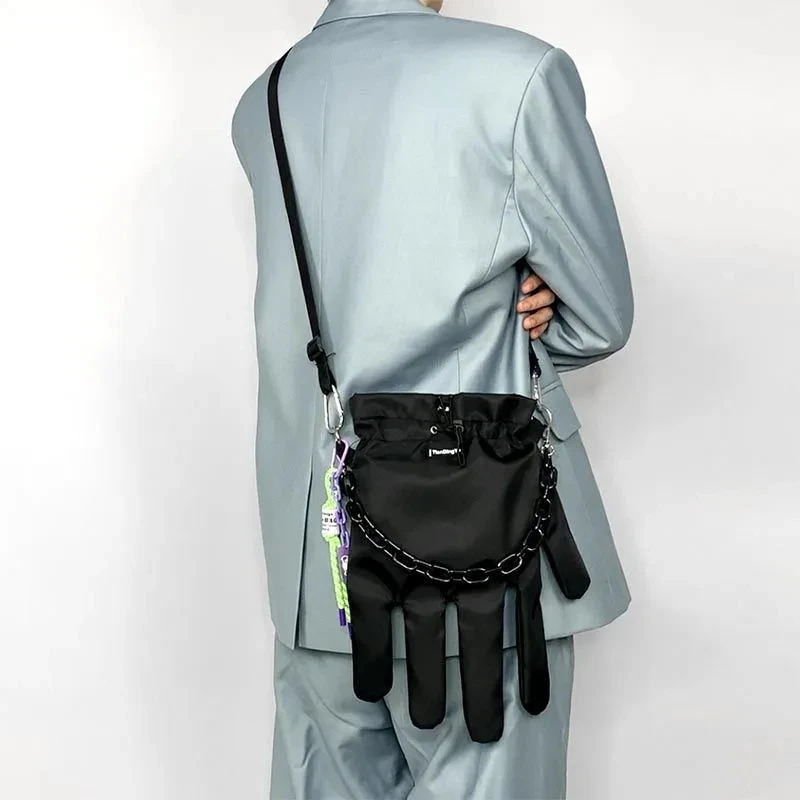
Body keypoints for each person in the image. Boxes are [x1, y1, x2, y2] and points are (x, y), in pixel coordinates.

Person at [231, 1, 634, 797]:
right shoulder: (518, 75)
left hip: (318, 566)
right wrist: (536, 300)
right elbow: (600, 318)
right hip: (476, 544)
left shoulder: (265, 98)